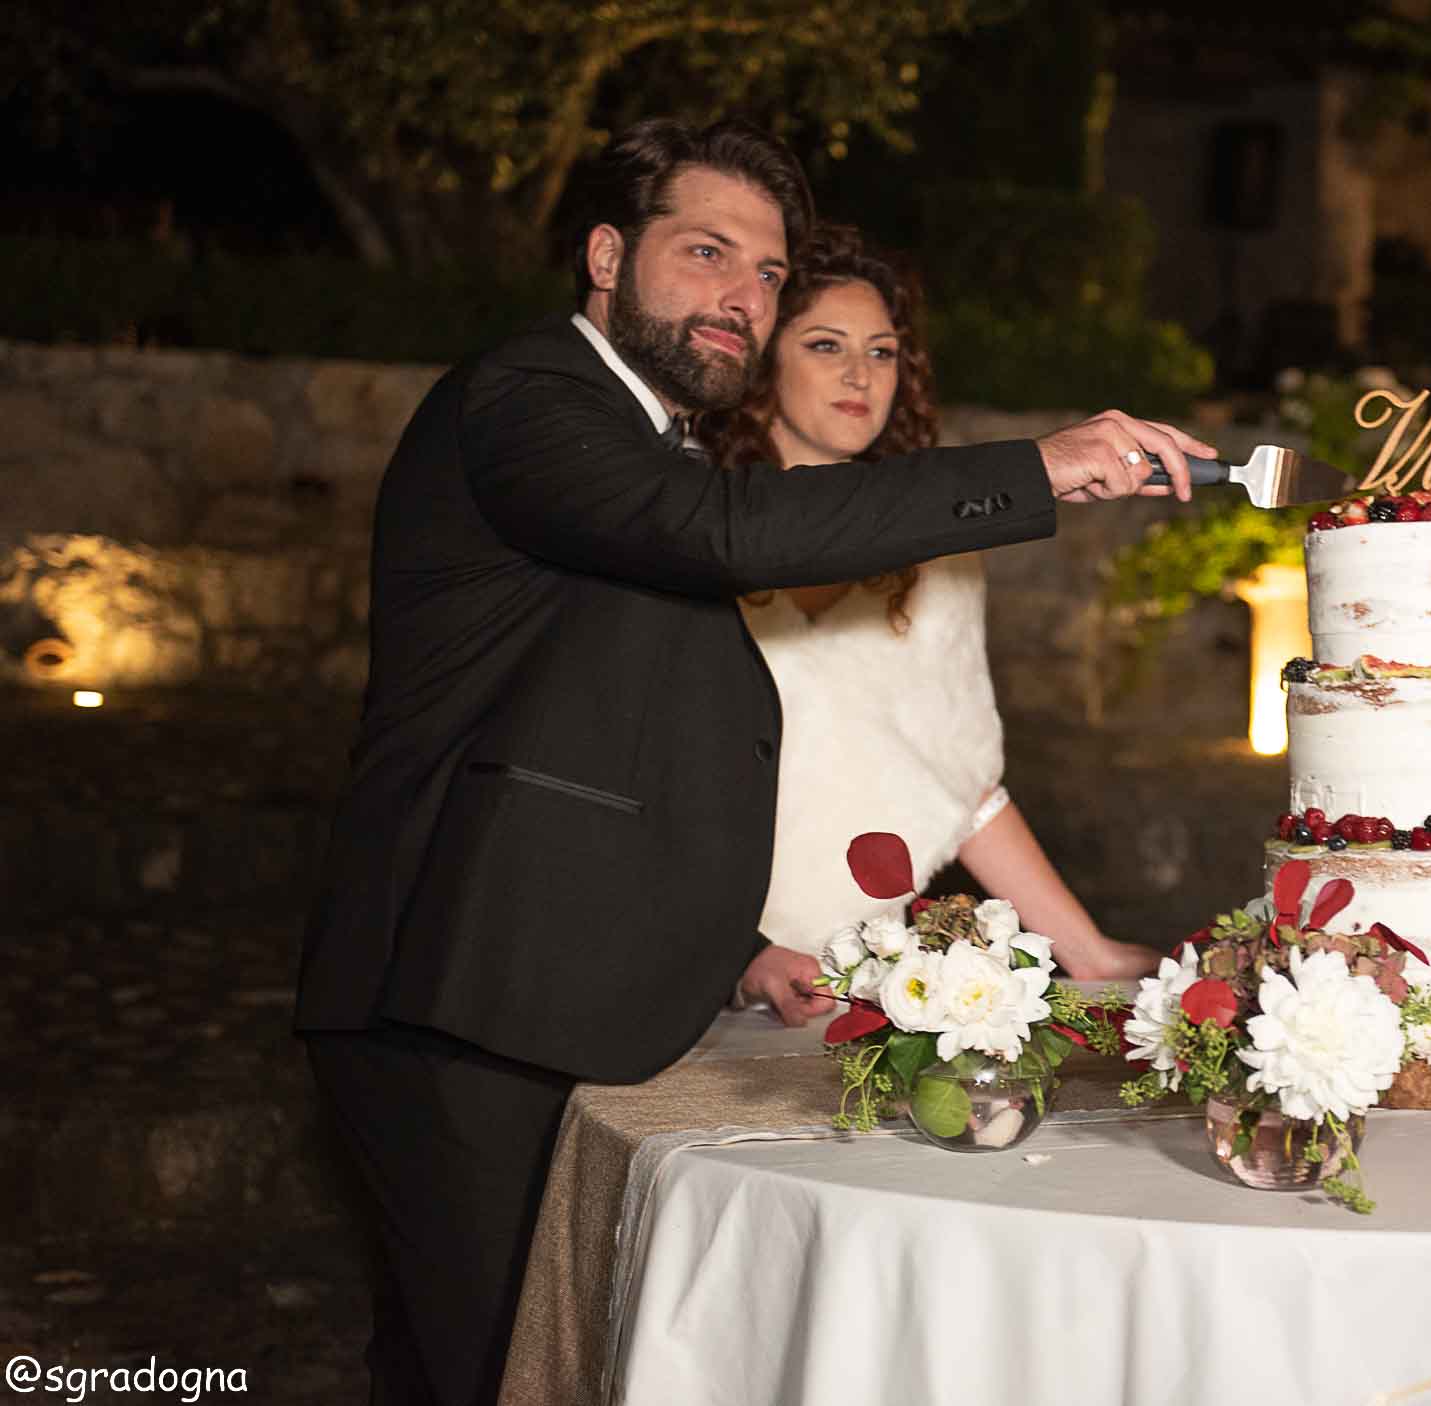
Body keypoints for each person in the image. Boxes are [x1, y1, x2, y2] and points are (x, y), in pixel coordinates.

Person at [293, 117, 1211, 1406]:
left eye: (766, 272)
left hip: (548, 983)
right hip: (458, 989)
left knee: (518, 1362)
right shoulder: (529, 395)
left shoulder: (640, 443)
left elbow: (600, 736)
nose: (741, 296)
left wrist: (730, 944)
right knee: (495, 1368)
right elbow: (719, 528)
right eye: (706, 251)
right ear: (606, 256)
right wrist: (1036, 468)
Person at [702, 225, 1160, 979]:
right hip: (690, 953)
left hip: (851, 969)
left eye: (881, 351)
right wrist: (736, 955)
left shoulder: (942, 550)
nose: (860, 375)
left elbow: (961, 777)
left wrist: (1089, 952)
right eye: (825, 345)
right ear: (761, 362)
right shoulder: (690, 523)